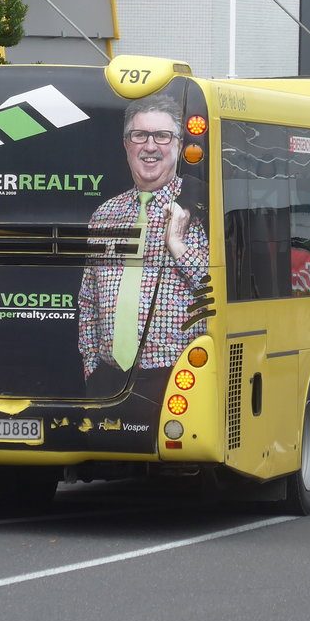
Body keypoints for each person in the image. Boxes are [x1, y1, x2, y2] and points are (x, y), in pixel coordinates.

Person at [77, 93, 210, 395]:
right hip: (108, 378)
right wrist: (91, 365)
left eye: (162, 136)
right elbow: (88, 300)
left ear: (178, 144)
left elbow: (216, 290)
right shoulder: (106, 214)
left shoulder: (205, 207)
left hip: (180, 376)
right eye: (140, 135)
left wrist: (177, 245)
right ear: (127, 144)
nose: (150, 147)